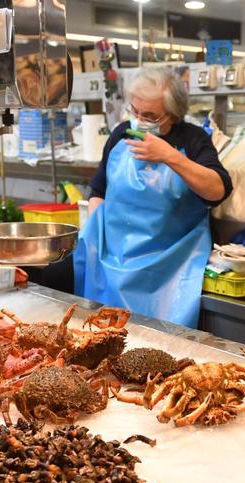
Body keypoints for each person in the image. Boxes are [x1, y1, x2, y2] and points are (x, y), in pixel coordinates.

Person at [74, 66, 232, 328]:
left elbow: (218, 191)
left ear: (173, 115)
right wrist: (97, 239)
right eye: (134, 110)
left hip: (167, 267)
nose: (138, 119)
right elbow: (98, 190)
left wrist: (169, 156)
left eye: (149, 115)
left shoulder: (193, 139)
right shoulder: (121, 134)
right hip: (111, 261)